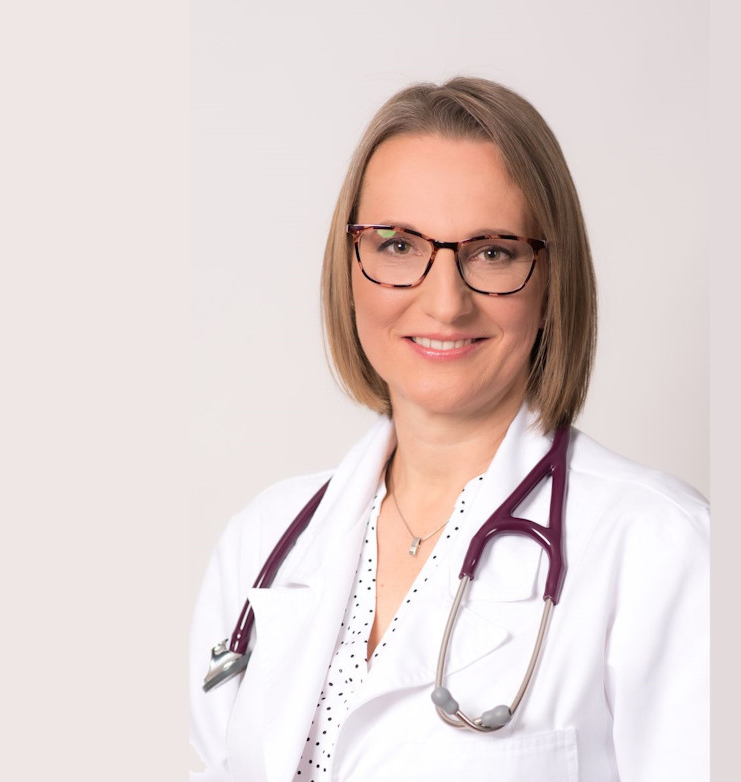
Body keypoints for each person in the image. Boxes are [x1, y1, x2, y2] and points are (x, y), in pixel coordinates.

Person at [190, 77, 708, 782]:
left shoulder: (659, 548)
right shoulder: (263, 542)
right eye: (398, 245)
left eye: (492, 252)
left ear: (552, 280)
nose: (445, 303)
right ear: (349, 267)